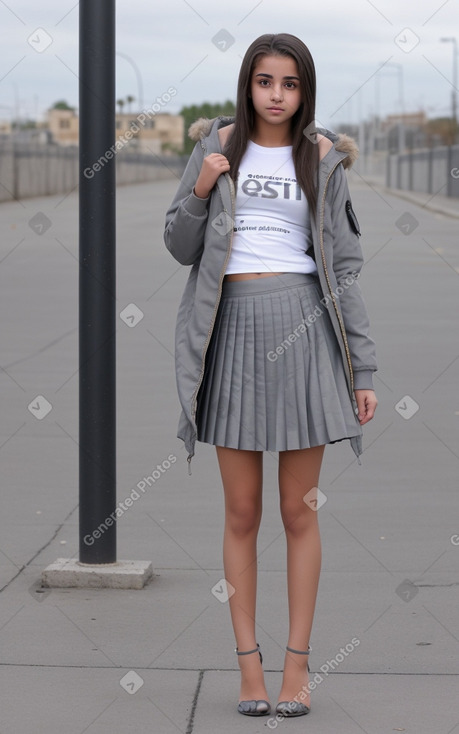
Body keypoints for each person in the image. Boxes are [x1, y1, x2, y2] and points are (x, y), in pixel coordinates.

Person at [164, 32, 378, 718]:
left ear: (303, 91)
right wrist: (200, 189)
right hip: (231, 331)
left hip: (304, 331)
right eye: (265, 81)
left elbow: (343, 266)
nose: (276, 95)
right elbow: (178, 243)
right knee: (241, 511)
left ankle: (296, 666)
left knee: (297, 510)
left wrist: (362, 367)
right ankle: (247, 667)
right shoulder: (216, 145)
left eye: (289, 83)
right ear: (247, 85)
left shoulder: (322, 157)